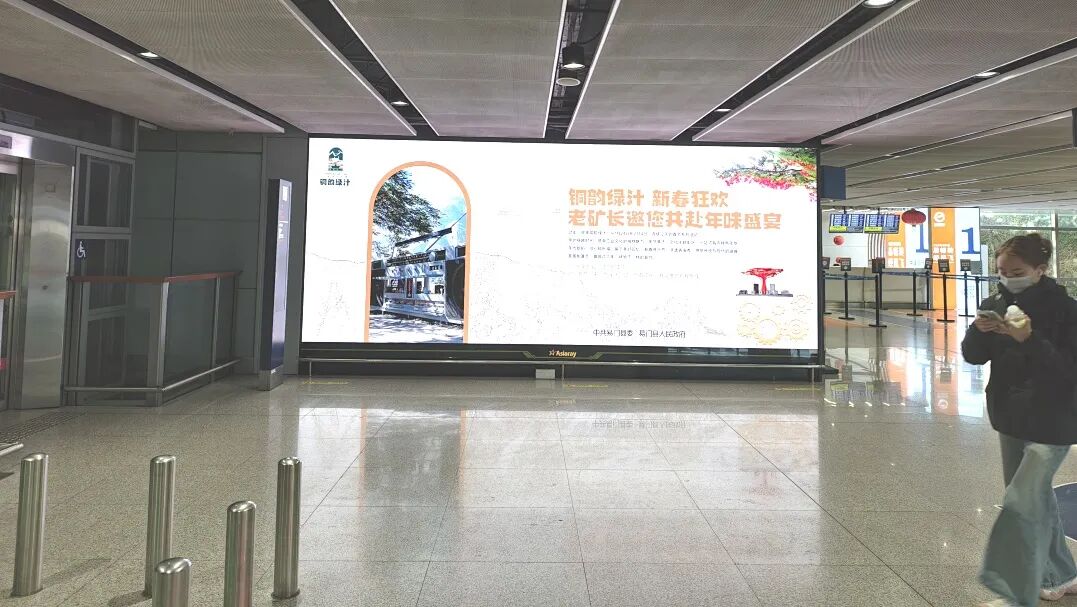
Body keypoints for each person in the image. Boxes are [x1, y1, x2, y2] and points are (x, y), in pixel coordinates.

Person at [962, 233, 1077, 607]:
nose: (1008, 279)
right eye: (1001, 272)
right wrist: (978, 332)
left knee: (1024, 499)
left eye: (1016, 272)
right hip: (1010, 415)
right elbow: (973, 356)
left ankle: (1028, 586)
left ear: (1040, 270)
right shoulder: (995, 303)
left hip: (1053, 418)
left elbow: (1066, 370)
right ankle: (1063, 575)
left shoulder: (1065, 310)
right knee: (1033, 496)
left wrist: (1029, 338)